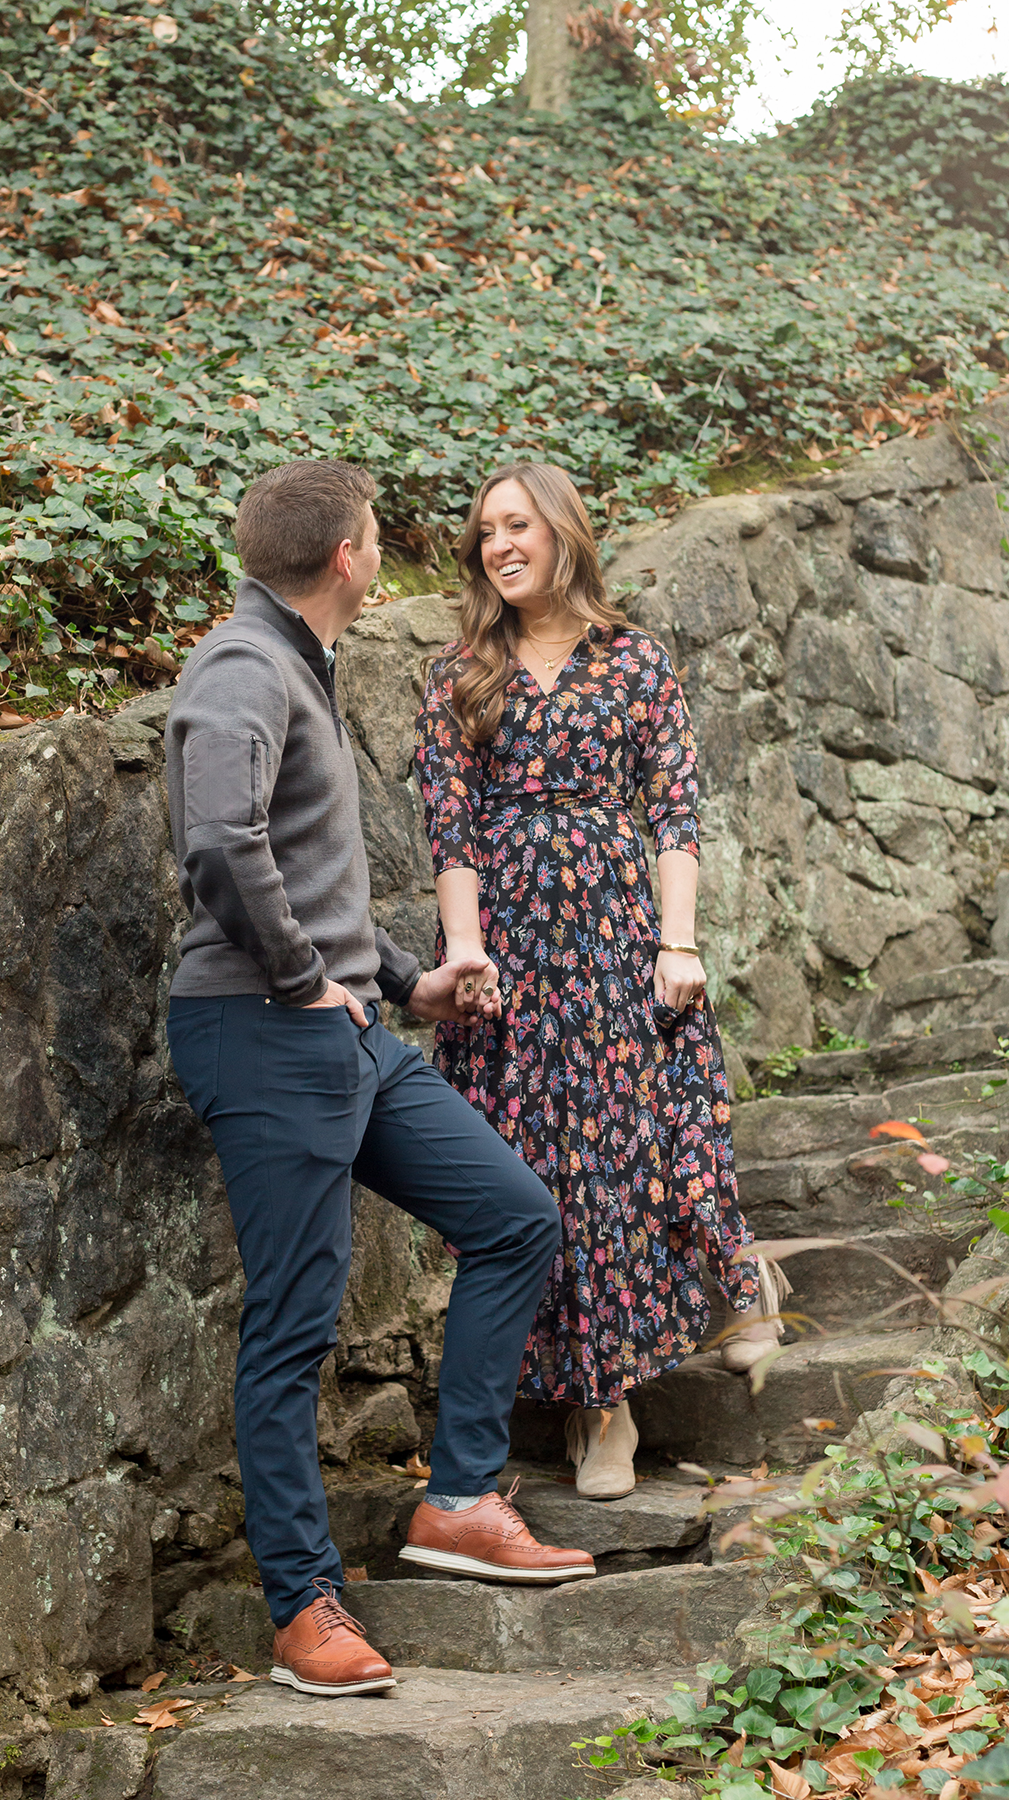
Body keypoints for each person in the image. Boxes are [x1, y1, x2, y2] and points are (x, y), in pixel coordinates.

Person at [164, 458, 596, 1703]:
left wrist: (406, 983)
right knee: (294, 1327)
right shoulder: (243, 665)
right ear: (351, 554)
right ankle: (304, 1608)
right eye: (375, 533)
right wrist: (303, 976)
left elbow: (299, 865)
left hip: (335, 1031)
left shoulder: (299, 661)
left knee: (514, 1214)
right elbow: (218, 843)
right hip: (260, 1028)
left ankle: (458, 1497)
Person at [413, 462, 788, 1502]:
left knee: (648, 1131)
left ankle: (733, 1276)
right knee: (547, 1166)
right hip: (514, 949)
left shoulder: (634, 662)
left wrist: (677, 943)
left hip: (619, 931)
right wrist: (465, 950)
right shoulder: (459, 674)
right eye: (485, 530)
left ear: (563, 532)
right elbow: (449, 830)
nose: (498, 545)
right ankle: (597, 1403)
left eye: (517, 524)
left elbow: (675, 813)